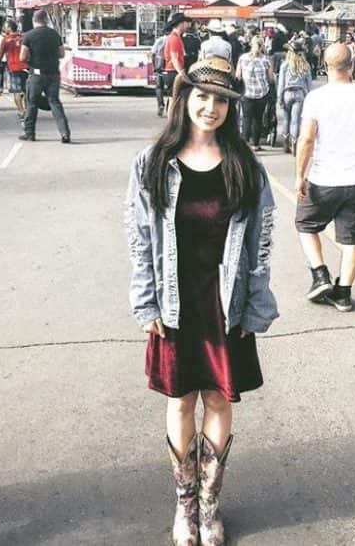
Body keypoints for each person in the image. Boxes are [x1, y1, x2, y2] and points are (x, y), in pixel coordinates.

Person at [124, 56, 277, 546]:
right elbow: (139, 238)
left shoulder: (245, 167)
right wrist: (146, 303)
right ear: (184, 99)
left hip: (223, 302)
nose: (210, 108)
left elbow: (262, 244)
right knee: (180, 398)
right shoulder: (151, 164)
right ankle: (184, 505)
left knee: (217, 397)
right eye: (202, 97)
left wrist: (255, 305)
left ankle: (210, 506)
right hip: (174, 303)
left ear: (232, 108)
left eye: (222, 102)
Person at [294, 42, 355, 311]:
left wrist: (300, 175)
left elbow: (307, 139)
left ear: (325, 65)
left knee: (305, 225)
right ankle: (343, 293)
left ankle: (320, 274)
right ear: (352, 64)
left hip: (324, 178)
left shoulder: (316, 98)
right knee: (351, 239)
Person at [19, 9, 71, 143]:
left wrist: (32, 59)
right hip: (53, 74)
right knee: (55, 102)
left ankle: (30, 133)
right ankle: (65, 133)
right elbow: (62, 54)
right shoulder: (55, 34)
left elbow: (22, 57)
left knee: (32, 103)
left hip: (36, 74)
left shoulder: (28, 36)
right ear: (46, 20)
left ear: (33, 21)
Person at [235, 37, 275, 151]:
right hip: (261, 93)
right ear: (262, 46)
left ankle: (245, 143)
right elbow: (270, 78)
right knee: (258, 119)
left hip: (246, 93)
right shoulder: (266, 60)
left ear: (251, 44)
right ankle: (255, 144)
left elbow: (238, 76)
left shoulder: (243, 58)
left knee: (246, 119)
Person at [277, 40, 312, 155]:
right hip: (300, 93)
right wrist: (308, 96)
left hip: (287, 92)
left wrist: (279, 98)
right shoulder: (305, 65)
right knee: (296, 120)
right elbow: (309, 83)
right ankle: (294, 143)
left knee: (286, 119)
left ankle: (285, 142)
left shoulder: (285, 65)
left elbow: (281, 83)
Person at [159, 14, 192, 117]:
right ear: (181, 24)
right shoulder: (174, 39)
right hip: (173, 72)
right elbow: (174, 58)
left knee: (173, 99)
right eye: (186, 23)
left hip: (171, 71)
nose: (188, 25)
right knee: (174, 99)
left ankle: (171, 121)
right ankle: (171, 122)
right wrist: (181, 73)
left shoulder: (174, 37)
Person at [0, 20, 28, 118]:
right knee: (26, 90)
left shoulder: (6, 40)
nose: (4, 28)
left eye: (5, 26)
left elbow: (0, 54)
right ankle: (28, 110)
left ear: (10, 28)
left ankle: (21, 111)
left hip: (14, 68)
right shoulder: (23, 38)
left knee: (16, 91)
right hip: (26, 67)